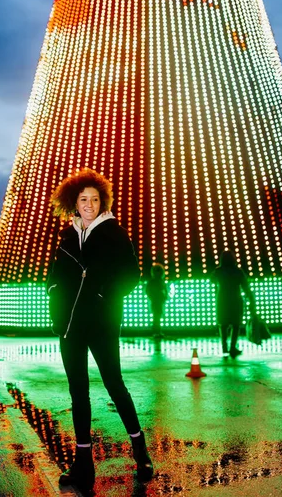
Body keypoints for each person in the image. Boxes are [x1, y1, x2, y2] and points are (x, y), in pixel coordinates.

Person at [47, 168, 153, 494]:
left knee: (114, 384)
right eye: (83, 199)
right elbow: (53, 275)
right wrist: (54, 295)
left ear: (101, 201)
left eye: (94, 199)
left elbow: (132, 275)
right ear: (74, 203)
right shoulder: (67, 236)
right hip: (69, 327)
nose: (89, 204)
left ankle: (141, 453)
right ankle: (83, 465)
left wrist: (103, 296)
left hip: (102, 323)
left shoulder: (114, 233)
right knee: (78, 393)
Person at [210, 250, 256, 358]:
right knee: (236, 324)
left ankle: (224, 346)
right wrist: (251, 299)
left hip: (222, 298)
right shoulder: (238, 271)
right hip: (235, 298)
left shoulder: (218, 271)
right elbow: (245, 286)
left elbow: (212, 280)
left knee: (223, 323)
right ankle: (232, 348)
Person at [145, 263, 168, 338]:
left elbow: (164, 290)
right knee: (156, 316)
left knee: (157, 316)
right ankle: (156, 332)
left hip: (158, 300)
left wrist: (164, 297)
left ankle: (157, 332)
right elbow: (148, 291)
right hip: (156, 300)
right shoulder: (157, 281)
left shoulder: (157, 281)